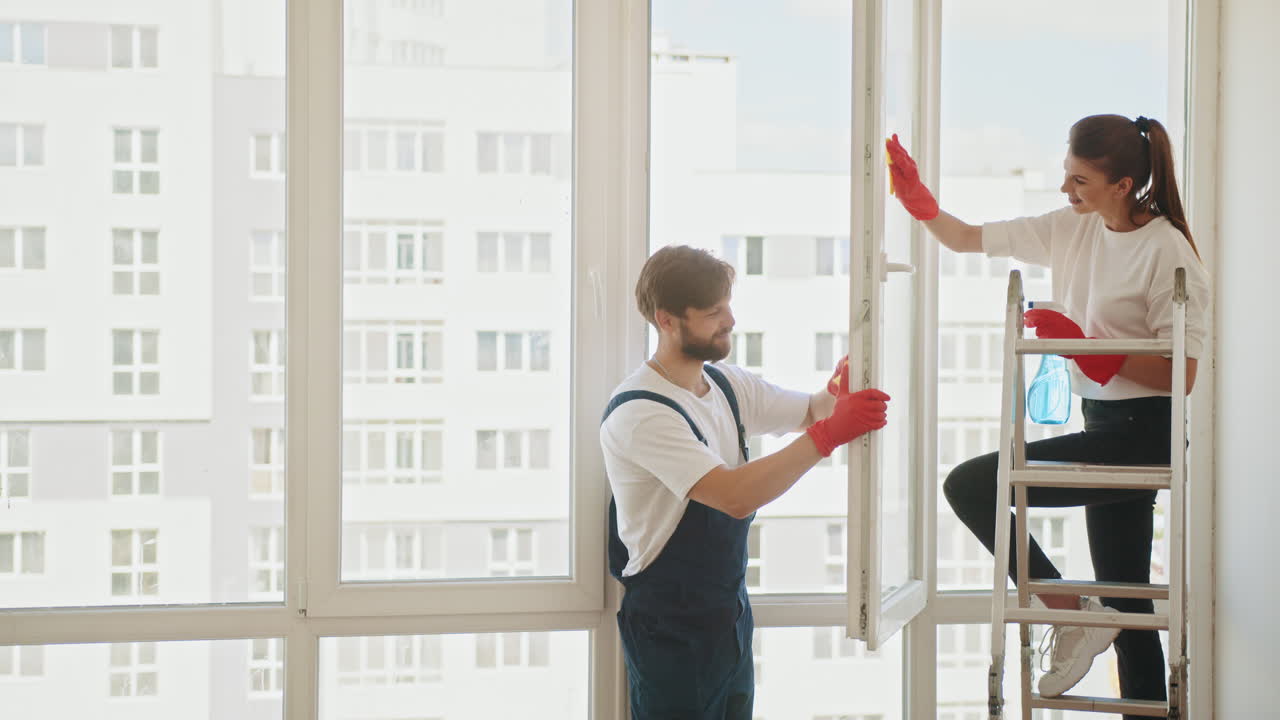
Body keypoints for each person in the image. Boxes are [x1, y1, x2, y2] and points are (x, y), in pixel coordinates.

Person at [886, 115, 1209, 713]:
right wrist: (917, 200)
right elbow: (966, 238)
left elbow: (1181, 376)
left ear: (1124, 184)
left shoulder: (1167, 250)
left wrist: (1086, 345)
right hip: (1101, 423)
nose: (1067, 192)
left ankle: (1066, 610)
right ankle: (1089, 620)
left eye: (1080, 181)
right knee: (1129, 605)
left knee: (973, 483)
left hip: (1147, 434)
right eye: (1066, 176)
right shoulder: (1073, 227)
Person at [599, 245, 890, 720]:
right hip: (669, 628)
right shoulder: (641, 412)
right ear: (667, 320)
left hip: (729, 616)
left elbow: (811, 409)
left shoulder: (726, 386)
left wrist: (835, 392)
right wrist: (829, 434)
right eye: (713, 312)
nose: (729, 320)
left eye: (727, 306)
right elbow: (733, 496)